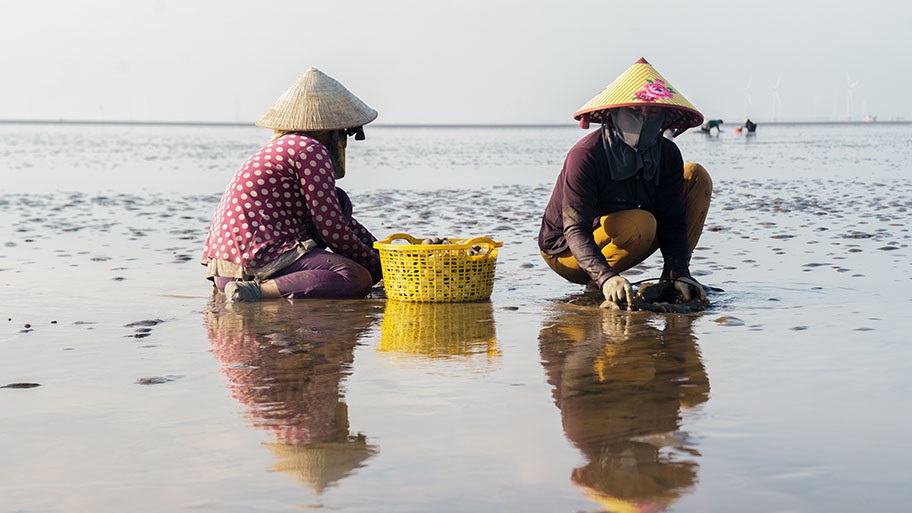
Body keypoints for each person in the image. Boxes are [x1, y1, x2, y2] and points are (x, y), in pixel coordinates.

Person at [538, 57, 713, 310]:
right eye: (634, 112)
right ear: (615, 114)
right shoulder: (586, 155)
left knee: (696, 175)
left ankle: (673, 279)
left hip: (629, 229)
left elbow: (673, 218)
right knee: (640, 224)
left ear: (663, 118)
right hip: (566, 250)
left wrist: (680, 271)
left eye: (653, 113)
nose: (644, 119)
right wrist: (606, 278)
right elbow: (575, 229)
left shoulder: (667, 155)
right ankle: (599, 284)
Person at [201, 68, 383, 301]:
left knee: (339, 200)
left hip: (227, 268)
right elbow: (333, 230)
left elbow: (339, 219)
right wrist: (375, 267)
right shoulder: (310, 150)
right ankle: (256, 292)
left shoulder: (285, 146)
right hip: (254, 262)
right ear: (334, 131)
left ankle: (263, 287)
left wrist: (385, 254)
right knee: (355, 277)